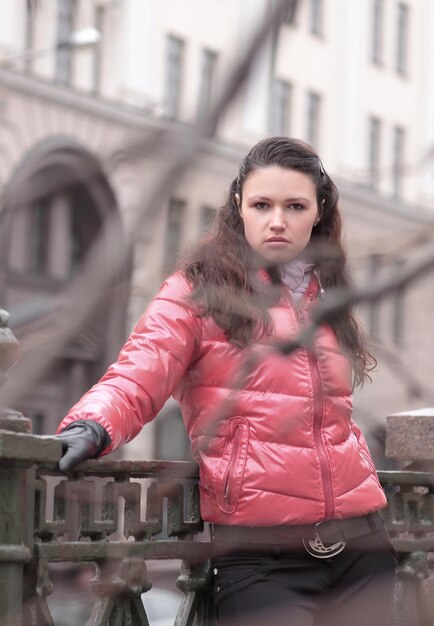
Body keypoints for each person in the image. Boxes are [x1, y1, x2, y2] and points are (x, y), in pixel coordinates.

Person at [56, 137, 397, 626]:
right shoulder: (198, 290)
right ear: (240, 206)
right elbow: (141, 366)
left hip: (360, 545)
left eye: (295, 206)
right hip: (262, 556)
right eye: (262, 204)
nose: (277, 220)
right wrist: (92, 424)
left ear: (318, 213)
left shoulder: (327, 295)